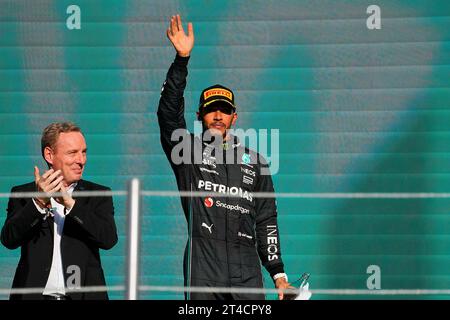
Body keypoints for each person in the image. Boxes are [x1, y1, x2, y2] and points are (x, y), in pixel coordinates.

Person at [157, 15, 293, 300]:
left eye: (224, 110)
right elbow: (168, 115)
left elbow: (267, 220)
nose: (218, 116)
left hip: (247, 272)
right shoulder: (188, 152)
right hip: (204, 270)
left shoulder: (256, 161)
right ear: (200, 116)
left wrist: (279, 276)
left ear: (234, 117)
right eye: (211, 110)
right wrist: (181, 60)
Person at [1, 122, 118, 300]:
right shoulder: (23, 193)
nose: (81, 160)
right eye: (72, 153)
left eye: (84, 152)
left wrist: (71, 204)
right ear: (49, 154)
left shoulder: (98, 194)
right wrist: (38, 203)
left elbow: (108, 239)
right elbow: (9, 239)